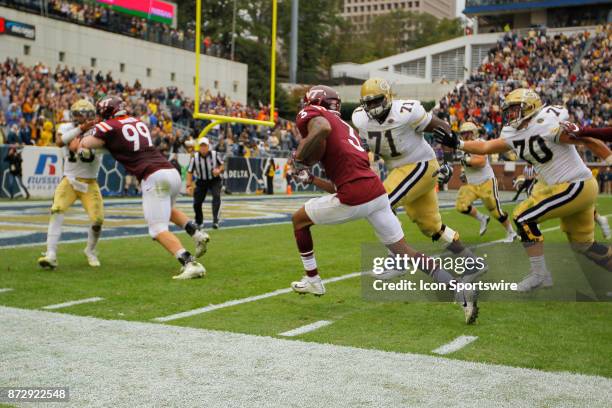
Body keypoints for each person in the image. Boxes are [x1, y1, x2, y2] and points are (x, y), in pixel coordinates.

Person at [291, 85, 479, 324]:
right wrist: (313, 178)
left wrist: (299, 159)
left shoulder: (317, 117)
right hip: (375, 191)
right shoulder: (346, 126)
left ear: (314, 102)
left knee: (299, 220)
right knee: (405, 251)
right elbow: (339, 177)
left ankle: (313, 280)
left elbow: (322, 128)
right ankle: (457, 289)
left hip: (359, 193)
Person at [435, 88, 612, 292]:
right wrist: (459, 143)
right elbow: (486, 147)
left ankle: (540, 274)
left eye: (514, 109)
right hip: (572, 187)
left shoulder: (546, 124)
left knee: (523, 216)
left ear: (530, 106)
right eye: (508, 110)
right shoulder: (514, 132)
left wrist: (609, 159)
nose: (510, 114)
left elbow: (586, 139)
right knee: (584, 246)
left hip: (575, 184)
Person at [352, 78, 484, 273]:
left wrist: (447, 163)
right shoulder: (360, 119)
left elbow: (443, 129)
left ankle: (398, 258)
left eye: (376, 101)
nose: (372, 107)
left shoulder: (406, 111)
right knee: (432, 227)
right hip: (402, 171)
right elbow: (364, 146)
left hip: (421, 165)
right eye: (368, 103)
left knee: (379, 202)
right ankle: (472, 263)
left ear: (387, 97)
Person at [79, 96, 209, 280]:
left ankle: (189, 262)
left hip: (153, 176)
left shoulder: (108, 126)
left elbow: (86, 143)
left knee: (157, 229)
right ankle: (196, 232)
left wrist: (89, 131)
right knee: (167, 210)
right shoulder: (138, 122)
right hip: (170, 171)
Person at [38, 100, 104, 269]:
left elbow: (102, 148)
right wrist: (81, 130)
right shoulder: (67, 128)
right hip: (70, 179)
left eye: (84, 113)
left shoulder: (99, 130)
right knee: (56, 210)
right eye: (78, 113)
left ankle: (90, 250)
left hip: (89, 182)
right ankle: (51, 253)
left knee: (97, 220)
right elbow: (60, 142)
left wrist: (83, 145)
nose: (80, 117)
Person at [454, 122, 517, 241]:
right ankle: (482, 218)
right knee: (461, 205)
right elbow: (466, 163)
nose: (465, 136)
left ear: (474, 133)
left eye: (468, 133)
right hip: (472, 184)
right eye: (463, 134)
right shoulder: (463, 146)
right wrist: (464, 172)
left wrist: (466, 160)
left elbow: (481, 162)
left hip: (486, 181)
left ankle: (511, 232)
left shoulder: (480, 143)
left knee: (495, 211)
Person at [186, 137, 224, 229]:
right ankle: (199, 221)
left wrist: (218, 170)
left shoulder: (214, 154)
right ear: (199, 147)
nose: (203, 148)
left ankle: (215, 220)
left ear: (208, 146)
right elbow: (190, 171)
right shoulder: (195, 157)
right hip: (201, 181)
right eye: (201, 146)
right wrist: (188, 185)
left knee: (216, 196)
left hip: (214, 179)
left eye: (205, 146)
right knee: (197, 202)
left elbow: (222, 165)